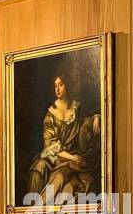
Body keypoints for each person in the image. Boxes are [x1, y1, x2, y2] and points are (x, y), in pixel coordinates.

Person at [25, 72, 100, 202]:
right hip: (54, 157)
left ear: (67, 86)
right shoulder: (50, 114)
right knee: (38, 168)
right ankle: (33, 208)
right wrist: (72, 157)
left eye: (61, 85)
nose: (57, 89)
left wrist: (97, 117)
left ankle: (41, 209)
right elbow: (50, 146)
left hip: (71, 156)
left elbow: (94, 111)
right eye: (55, 86)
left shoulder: (77, 107)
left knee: (60, 177)